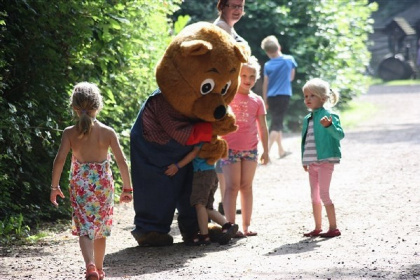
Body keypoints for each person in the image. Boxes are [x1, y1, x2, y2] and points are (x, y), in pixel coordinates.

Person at [49, 82, 133, 280]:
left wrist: (54, 186)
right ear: (98, 106)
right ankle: (100, 269)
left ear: (74, 108)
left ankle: (90, 266)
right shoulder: (108, 132)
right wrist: (127, 189)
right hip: (103, 184)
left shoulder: (69, 133)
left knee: (84, 226)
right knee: (100, 228)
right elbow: (122, 162)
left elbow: (60, 160)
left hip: (80, 184)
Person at [221, 56, 270, 238]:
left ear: (256, 78)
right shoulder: (228, 96)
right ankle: (231, 226)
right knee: (232, 187)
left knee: (246, 186)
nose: (248, 80)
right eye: (243, 75)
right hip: (229, 149)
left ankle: (247, 225)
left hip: (251, 150)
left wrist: (266, 150)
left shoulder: (257, 100)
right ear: (236, 76)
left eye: (252, 76)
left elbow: (263, 128)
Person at [165, 144, 239, 245]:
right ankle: (227, 225)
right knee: (207, 207)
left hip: (202, 174)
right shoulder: (211, 136)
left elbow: (194, 153)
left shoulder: (201, 136)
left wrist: (177, 166)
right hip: (211, 173)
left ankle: (204, 235)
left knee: (199, 204)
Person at [214, 0, 247, 215]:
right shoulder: (218, 29)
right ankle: (223, 200)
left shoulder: (230, 29)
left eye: (241, 6)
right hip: (221, 98)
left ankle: (225, 201)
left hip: (232, 96)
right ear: (222, 6)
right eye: (233, 5)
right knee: (222, 150)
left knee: (229, 148)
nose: (237, 10)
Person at [301, 78, 344, 238]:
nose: (307, 99)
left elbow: (340, 135)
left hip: (326, 160)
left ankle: (333, 227)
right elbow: (305, 141)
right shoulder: (308, 119)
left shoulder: (330, 116)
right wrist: (304, 160)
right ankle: (317, 227)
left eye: (312, 96)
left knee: (324, 194)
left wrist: (329, 126)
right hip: (312, 163)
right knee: (314, 196)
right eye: (306, 96)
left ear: (323, 98)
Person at [261, 35, 297, 159]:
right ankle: (266, 153)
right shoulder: (289, 60)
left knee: (277, 121)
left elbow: (265, 84)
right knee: (276, 124)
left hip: (271, 97)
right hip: (283, 95)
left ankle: (281, 150)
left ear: (267, 52)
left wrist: (264, 100)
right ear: (279, 47)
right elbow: (291, 78)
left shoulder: (267, 65)